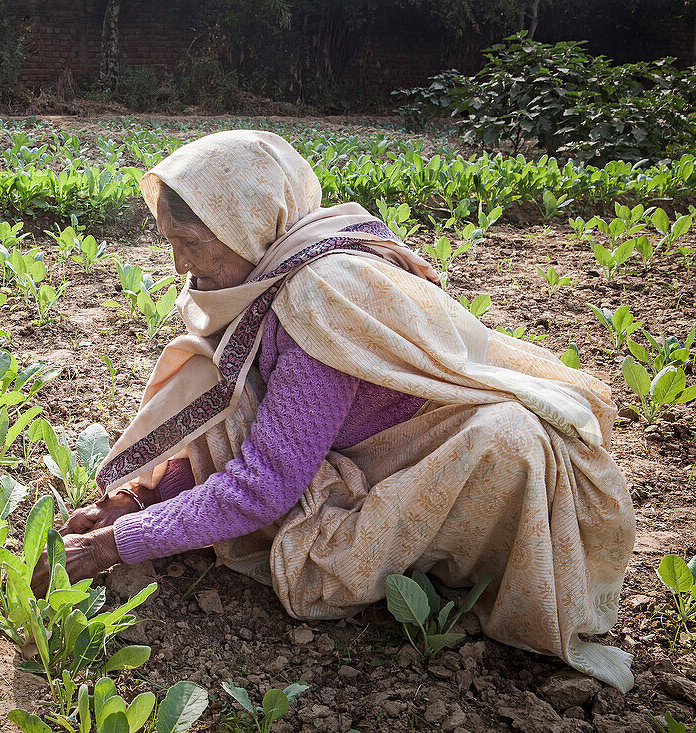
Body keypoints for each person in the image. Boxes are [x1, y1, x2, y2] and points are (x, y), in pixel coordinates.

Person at [40, 130, 636, 691]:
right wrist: (140, 497)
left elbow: (262, 484)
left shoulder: (318, 300)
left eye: (191, 243)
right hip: (381, 444)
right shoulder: (278, 266)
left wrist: (117, 543)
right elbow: (239, 420)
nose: (181, 268)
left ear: (245, 227)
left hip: (471, 457)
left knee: (322, 563)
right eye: (172, 244)